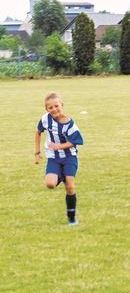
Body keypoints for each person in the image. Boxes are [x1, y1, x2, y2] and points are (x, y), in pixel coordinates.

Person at [34, 92, 84, 225]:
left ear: (62, 105)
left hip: (69, 157)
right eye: (50, 107)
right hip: (53, 158)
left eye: (56, 106)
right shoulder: (45, 119)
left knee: (70, 186)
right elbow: (38, 132)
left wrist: (59, 146)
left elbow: (76, 141)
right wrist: (37, 152)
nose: (54, 109)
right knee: (50, 184)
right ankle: (60, 176)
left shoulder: (70, 124)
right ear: (46, 109)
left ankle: (71, 216)